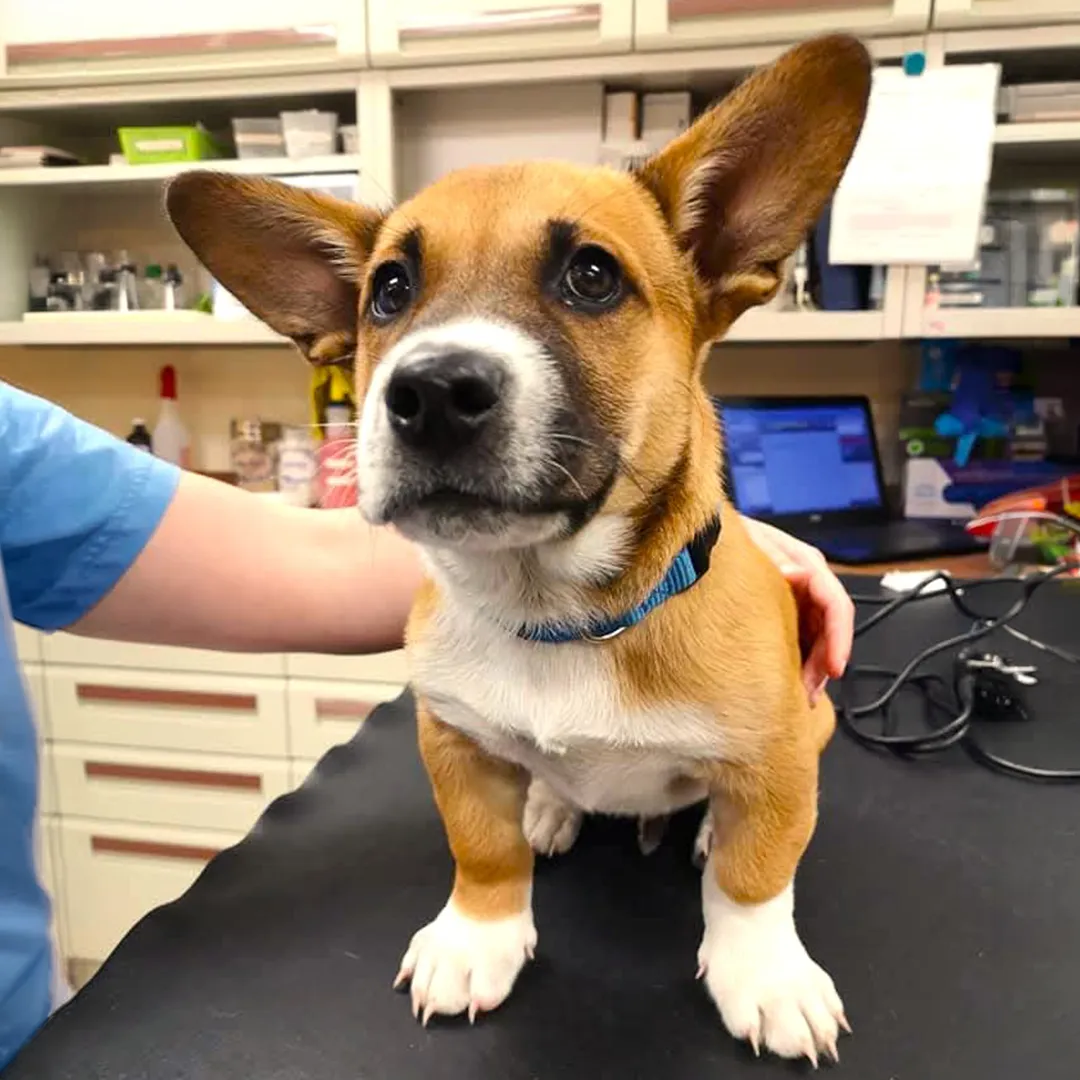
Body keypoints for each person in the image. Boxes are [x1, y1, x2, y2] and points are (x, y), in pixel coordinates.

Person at [0, 380, 854, 1068]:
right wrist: (487, 893)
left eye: (592, 277)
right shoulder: (444, 626)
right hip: (40, 1037)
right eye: (395, 293)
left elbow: (777, 755)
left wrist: (751, 919)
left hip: (16, 1019)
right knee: (487, 739)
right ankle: (523, 852)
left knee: (787, 735)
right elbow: (459, 733)